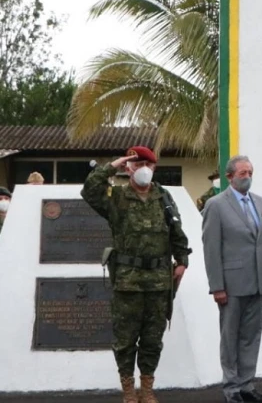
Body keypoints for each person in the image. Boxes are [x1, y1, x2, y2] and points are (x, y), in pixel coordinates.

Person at [81, 147, 191, 403]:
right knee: (125, 340)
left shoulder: (163, 197)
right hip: (128, 282)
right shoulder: (117, 197)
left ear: (154, 168)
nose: (143, 169)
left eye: (147, 165)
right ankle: (129, 390)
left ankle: (147, 388)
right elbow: (89, 190)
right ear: (128, 168)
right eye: (137, 164)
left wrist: (182, 261)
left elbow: (176, 231)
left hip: (159, 282)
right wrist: (112, 166)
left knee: (153, 340)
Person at [202, 155, 262, 403]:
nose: (247, 177)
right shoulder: (216, 205)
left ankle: (247, 386)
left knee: (251, 336)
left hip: (257, 281)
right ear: (229, 176)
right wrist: (217, 286)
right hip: (231, 285)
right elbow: (211, 248)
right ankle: (231, 389)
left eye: (250, 172)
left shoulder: (260, 203)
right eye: (242, 173)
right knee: (230, 338)